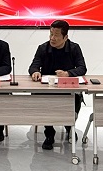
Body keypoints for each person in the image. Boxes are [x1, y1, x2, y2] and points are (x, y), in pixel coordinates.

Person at [28, 20, 87, 150]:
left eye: (56, 35)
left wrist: (68, 73)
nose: (52, 38)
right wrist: (35, 72)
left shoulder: (74, 48)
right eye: (51, 34)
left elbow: (82, 68)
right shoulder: (43, 48)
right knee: (41, 100)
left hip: (67, 87)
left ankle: (69, 126)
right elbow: (33, 66)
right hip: (47, 88)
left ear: (65, 37)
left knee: (76, 97)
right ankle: (49, 133)